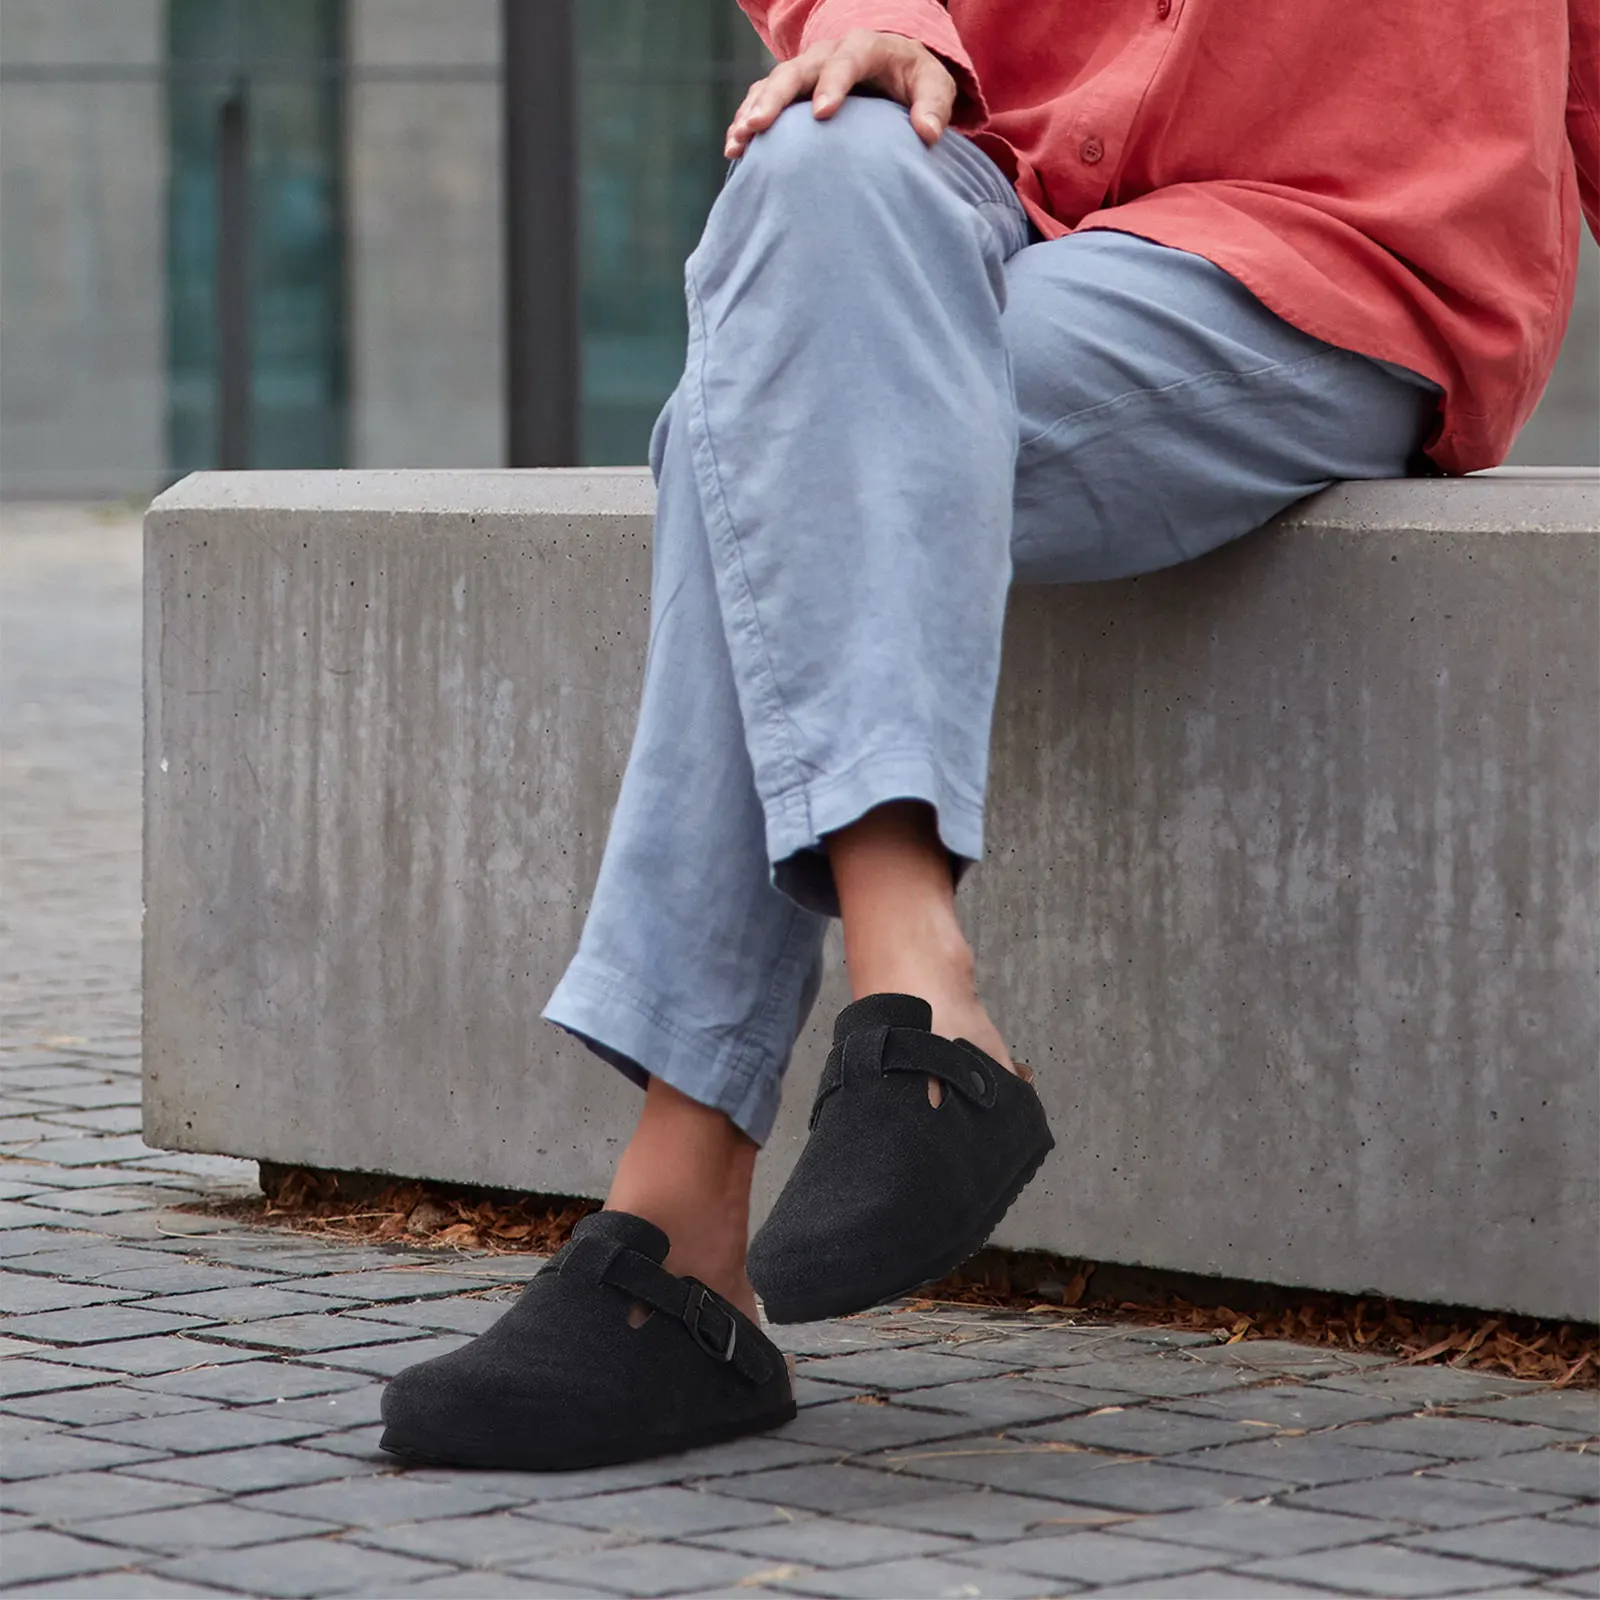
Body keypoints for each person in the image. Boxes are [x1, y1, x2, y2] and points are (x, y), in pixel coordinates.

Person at [380, 0, 1599, 1470]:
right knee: (815, 162)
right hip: (980, 168)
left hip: (1324, 244)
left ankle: (679, 1226)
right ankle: (918, 973)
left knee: (751, 420)